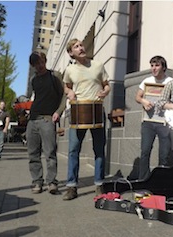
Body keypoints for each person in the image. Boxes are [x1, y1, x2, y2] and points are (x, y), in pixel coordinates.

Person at [62, 38, 111, 200]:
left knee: (99, 150)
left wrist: (105, 92)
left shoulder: (97, 65)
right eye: (76, 47)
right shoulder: (69, 70)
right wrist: (69, 93)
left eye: (81, 45)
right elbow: (66, 87)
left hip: (97, 109)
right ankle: (71, 187)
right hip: (78, 112)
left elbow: (106, 85)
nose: (81, 48)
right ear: (71, 53)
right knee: (73, 150)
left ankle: (99, 184)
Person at [27, 51, 67, 194]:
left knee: (50, 152)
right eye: (36, 64)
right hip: (32, 120)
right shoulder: (34, 80)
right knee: (33, 153)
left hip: (47, 119)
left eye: (42, 62)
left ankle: (52, 182)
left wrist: (58, 112)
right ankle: (37, 182)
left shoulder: (54, 75)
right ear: (33, 65)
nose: (40, 65)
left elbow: (63, 95)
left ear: (45, 61)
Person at [136, 55, 173, 180]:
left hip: (164, 122)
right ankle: (143, 181)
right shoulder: (146, 81)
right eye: (152, 65)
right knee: (145, 152)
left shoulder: (170, 82)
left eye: (157, 65)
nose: (153, 68)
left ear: (163, 67)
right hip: (148, 122)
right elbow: (138, 97)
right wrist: (144, 101)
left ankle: (161, 182)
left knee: (164, 154)